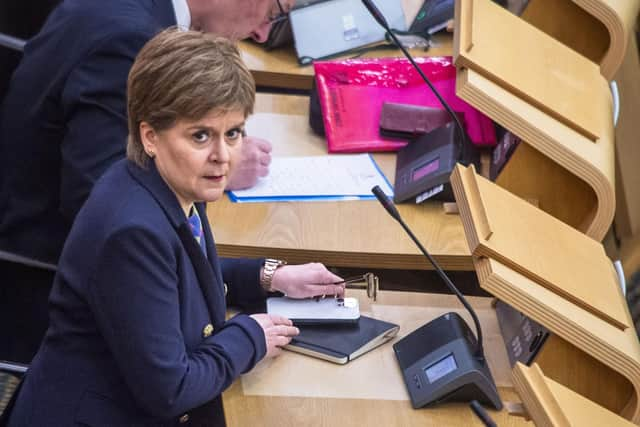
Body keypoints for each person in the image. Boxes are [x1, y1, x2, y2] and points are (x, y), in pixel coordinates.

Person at [5, 29, 344, 427]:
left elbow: (179, 276)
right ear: (150, 135)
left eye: (232, 133)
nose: (223, 156)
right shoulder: (132, 231)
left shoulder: (162, 182)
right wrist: (249, 335)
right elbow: (172, 389)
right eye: (201, 136)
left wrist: (270, 276)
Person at [0, 0, 294, 363]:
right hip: (54, 309)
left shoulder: (136, 16)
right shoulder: (130, 43)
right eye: (274, 11)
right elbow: (110, 219)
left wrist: (262, 276)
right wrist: (217, 165)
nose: (263, 33)